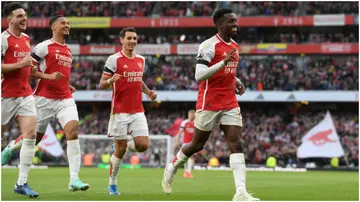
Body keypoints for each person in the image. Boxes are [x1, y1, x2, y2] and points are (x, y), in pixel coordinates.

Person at [161, 8, 259, 201]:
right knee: (197, 145)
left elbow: (229, 72)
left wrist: (236, 81)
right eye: (231, 21)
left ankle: (241, 192)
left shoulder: (235, 47)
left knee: (236, 142)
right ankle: (172, 166)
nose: (235, 24)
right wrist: (222, 63)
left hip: (230, 102)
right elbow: (199, 75)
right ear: (220, 24)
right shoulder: (208, 46)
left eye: (236, 21)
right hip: (209, 102)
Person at [2, 15, 89, 192]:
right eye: (63, 23)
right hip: (43, 99)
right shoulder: (44, 46)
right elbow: (29, 71)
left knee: (73, 132)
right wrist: (48, 77)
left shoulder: (68, 51)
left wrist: (66, 85)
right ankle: (13, 146)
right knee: (34, 138)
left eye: (68, 23)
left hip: (65, 99)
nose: (67, 25)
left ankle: (74, 179)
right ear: (53, 27)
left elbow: (60, 74)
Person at [99, 27, 157, 195]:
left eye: (135, 38)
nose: (132, 41)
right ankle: (112, 183)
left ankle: (119, 145)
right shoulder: (114, 60)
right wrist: (111, 80)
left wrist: (149, 92)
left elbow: (138, 80)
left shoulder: (141, 60)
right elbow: (102, 84)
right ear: (121, 40)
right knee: (121, 149)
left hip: (138, 110)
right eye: (129, 38)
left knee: (143, 145)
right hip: (119, 111)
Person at [1, 3, 39, 198]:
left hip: (25, 93)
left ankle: (21, 183)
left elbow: (24, 66)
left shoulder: (25, 39)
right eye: (20, 16)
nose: (24, 18)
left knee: (31, 134)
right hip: (5, 94)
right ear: (10, 20)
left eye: (25, 15)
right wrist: (20, 64)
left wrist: (30, 70)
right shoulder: (3, 40)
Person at [173, 110, 196, 178]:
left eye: (192, 115)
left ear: (194, 115)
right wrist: (177, 141)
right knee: (188, 157)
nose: (191, 116)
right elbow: (180, 133)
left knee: (190, 157)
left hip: (194, 143)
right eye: (190, 115)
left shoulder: (197, 123)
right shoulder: (184, 123)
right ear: (188, 115)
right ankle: (187, 172)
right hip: (185, 143)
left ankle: (186, 172)